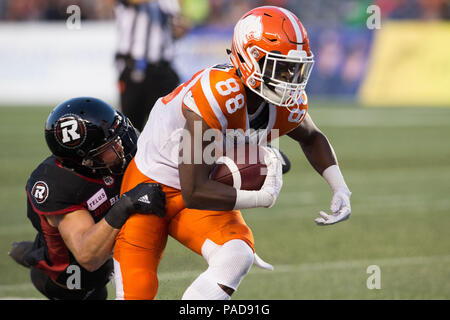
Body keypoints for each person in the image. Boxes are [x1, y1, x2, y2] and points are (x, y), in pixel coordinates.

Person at [112, 6, 352, 300]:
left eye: (295, 68)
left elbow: (312, 137)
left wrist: (340, 187)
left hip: (201, 190)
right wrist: (261, 197)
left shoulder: (283, 101)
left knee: (237, 254)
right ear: (249, 59)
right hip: (149, 189)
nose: (290, 77)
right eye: (281, 67)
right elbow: (193, 190)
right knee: (138, 292)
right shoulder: (219, 93)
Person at [8, 97, 166, 300]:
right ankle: (32, 256)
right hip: (70, 277)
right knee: (90, 288)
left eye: (119, 135)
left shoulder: (113, 156)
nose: (121, 144)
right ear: (86, 159)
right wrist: (124, 205)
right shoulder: (58, 183)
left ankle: (30, 252)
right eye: (110, 145)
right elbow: (88, 256)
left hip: (100, 250)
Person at [114, 0, 189, 131]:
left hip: (163, 70)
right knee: (130, 126)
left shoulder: (170, 3)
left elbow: (177, 30)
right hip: (135, 68)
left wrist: (181, 28)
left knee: (167, 127)